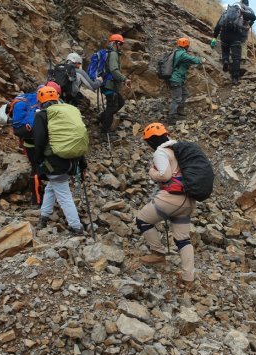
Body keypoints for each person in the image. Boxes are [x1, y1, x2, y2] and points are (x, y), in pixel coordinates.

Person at [136, 123, 197, 288]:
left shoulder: (161, 152)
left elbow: (165, 175)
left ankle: (158, 252)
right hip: (188, 200)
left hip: (171, 199)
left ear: (151, 141)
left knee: (142, 220)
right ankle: (188, 278)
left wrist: (151, 172)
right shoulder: (179, 151)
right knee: (183, 239)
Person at [33, 86, 86, 235]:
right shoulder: (67, 113)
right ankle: (44, 216)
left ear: (40, 100)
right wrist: (83, 164)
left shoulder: (42, 115)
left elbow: (39, 141)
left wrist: (37, 161)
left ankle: (76, 227)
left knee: (64, 195)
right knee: (52, 186)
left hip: (54, 162)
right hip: (71, 160)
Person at [211, 1, 256, 85]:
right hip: (236, 37)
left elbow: (218, 26)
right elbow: (254, 17)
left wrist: (214, 37)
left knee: (225, 50)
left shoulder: (226, 12)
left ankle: (225, 61)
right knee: (236, 58)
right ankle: (235, 78)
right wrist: (249, 23)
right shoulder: (242, 12)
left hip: (224, 35)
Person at [98, 34, 132, 137]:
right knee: (111, 106)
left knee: (120, 102)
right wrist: (124, 79)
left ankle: (101, 117)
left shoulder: (110, 53)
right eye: (120, 44)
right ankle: (105, 131)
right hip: (110, 85)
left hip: (109, 84)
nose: (121, 46)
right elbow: (114, 70)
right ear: (115, 44)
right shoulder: (113, 54)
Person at [167, 37, 203, 125]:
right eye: (187, 45)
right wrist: (201, 60)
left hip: (177, 79)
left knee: (184, 93)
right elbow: (192, 59)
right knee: (177, 98)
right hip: (176, 79)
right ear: (186, 45)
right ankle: (171, 117)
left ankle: (179, 110)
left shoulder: (177, 52)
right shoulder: (182, 54)